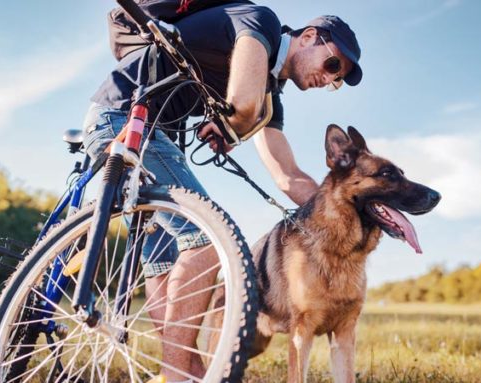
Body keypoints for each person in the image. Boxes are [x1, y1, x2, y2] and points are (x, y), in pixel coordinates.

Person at [82, 3, 362, 382]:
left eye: (336, 80)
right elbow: (243, 105)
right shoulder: (260, 21)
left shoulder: (270, 96)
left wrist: (346, 210)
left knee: (164, 264)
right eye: (332, 66)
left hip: (156, 134)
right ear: (310, 37)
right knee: (207, 238)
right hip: (124, 119)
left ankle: (186, 368)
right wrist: (232, 123)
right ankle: (180, 371)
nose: (327, 81)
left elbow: (288, 176)